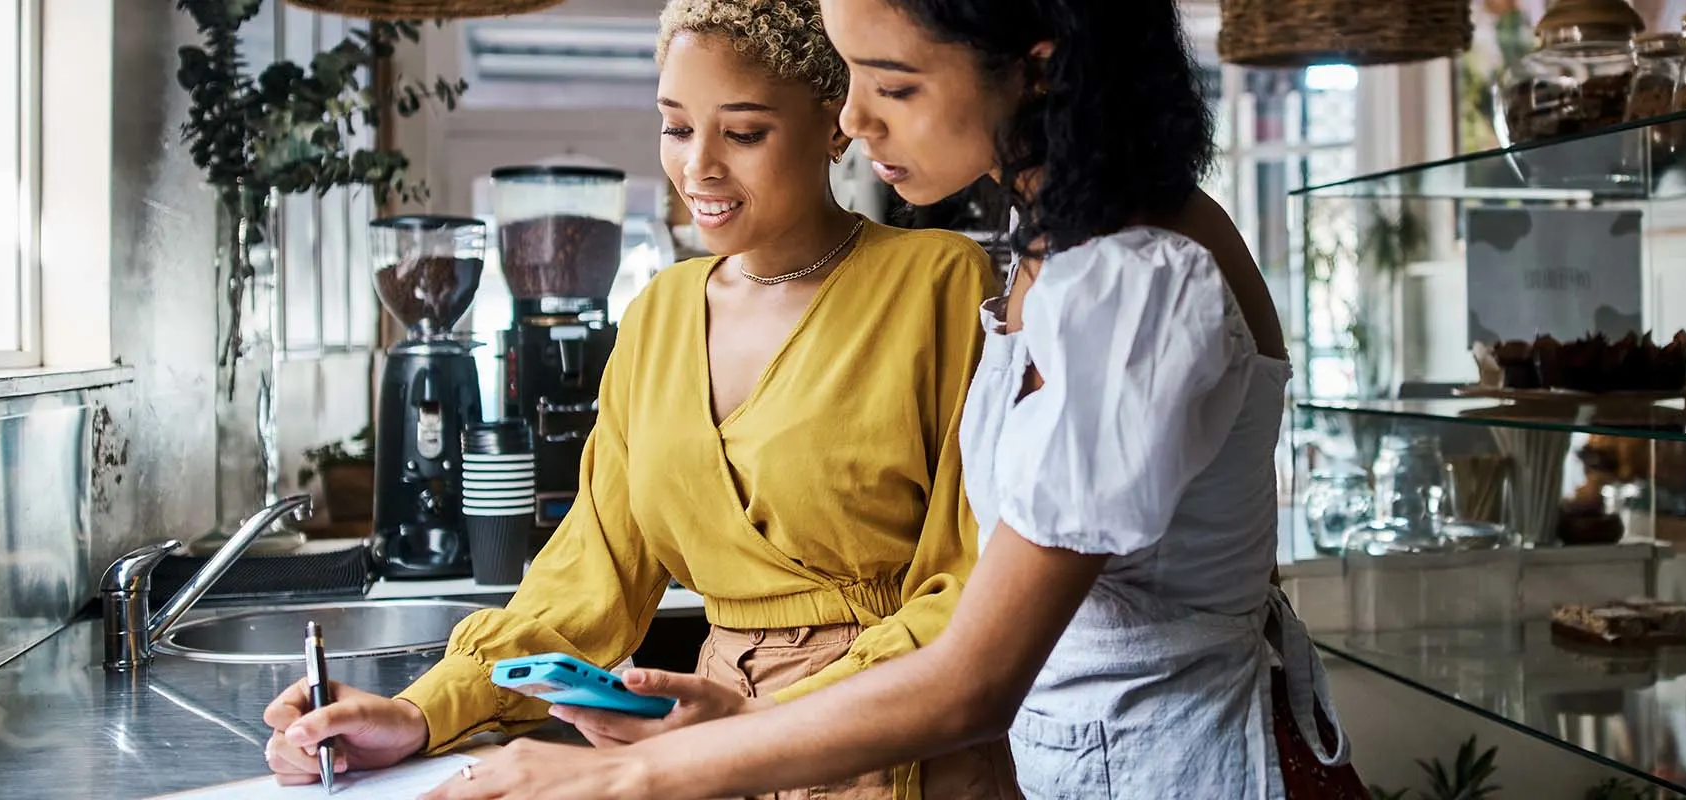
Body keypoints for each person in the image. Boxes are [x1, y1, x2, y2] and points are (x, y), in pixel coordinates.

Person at [417, 0, 1368, 798]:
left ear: (1034, 71)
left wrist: (632, 776)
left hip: (1183, 770)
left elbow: (972, 683)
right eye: (849, 75)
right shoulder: (1056, 249)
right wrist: (752, 715)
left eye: (893, 84)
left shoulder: (1139, 273)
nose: (857, 121)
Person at [263, 1, 1022, 798]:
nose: (699, 168)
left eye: (744, 133)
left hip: (895, 747)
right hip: (707, 755)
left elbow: (970, 589)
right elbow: (587, 578)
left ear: (836, 125)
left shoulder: (941, 284)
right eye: (675, 127)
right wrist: (418, 713)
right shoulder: (658, 313)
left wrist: (757, 727)